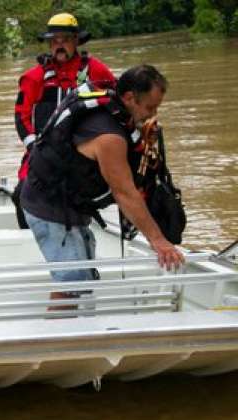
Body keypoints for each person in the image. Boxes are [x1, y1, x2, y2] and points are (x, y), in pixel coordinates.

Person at [19, 64, 185, 299]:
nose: (153, 114)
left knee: (81, 282)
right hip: (51, 212)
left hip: (65, 204)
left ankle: (74, 325)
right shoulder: (109, 137)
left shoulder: (113, 107)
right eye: (150, 107)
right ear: (129, 98)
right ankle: (60, 331)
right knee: (73, 289)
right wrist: (158, 241)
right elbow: (125, 193)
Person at [11, 13, 116, 229]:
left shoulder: (96, 70)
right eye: (54, 41)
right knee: (21, 194)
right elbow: (21, 116)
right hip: (42, 151)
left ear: (76, 41)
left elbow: (117, 103)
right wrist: (34, 147)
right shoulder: (34, 77)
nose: (59, 46)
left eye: (65, 40)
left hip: (84, 153)